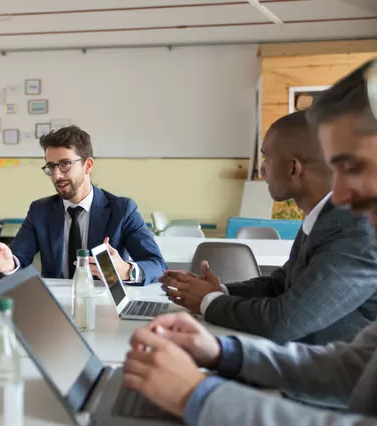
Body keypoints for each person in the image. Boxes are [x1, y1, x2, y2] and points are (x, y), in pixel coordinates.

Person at [123, 59, 377, 425]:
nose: (339, 192)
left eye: (353, 168)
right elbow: (352, 367)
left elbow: (287, 321)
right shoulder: (334, 221)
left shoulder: (357, 232)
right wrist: (220, 352)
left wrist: (197, 394)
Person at [161, 111, 377, 345]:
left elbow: (283, 322)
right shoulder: (328, 217)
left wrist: (208, 300)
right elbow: (280, 285)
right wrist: (220, 291)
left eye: (267, 159)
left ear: (294, 168)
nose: (262, 170)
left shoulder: (359, 229)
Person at [0, 126, 166, 284]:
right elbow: (18, 257)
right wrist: (9, 264)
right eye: (51, 166)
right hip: (55, 307)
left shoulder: (122, 210)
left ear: (88, 165)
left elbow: (157, 265)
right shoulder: (40, 211)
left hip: (104, 305)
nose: (57, 175)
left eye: (65, 164)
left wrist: (126, 270)